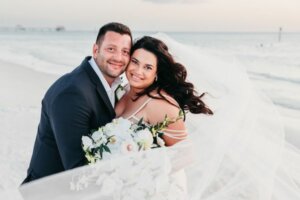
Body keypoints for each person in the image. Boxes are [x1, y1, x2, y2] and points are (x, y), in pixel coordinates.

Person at [22, 22, 132, 184]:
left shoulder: (115, 86)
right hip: (51, 191)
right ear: (96, 50)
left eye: (125, 52)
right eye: (111, 49)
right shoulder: (73, 93)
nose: (118, 58)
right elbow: (76, 168)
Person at [115, 36, 213, 146]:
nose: (138, 71)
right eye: (135, 62)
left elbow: (185, 156)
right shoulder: (123, 89)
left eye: (148, 67)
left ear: (157, 72)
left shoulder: (159, 103)